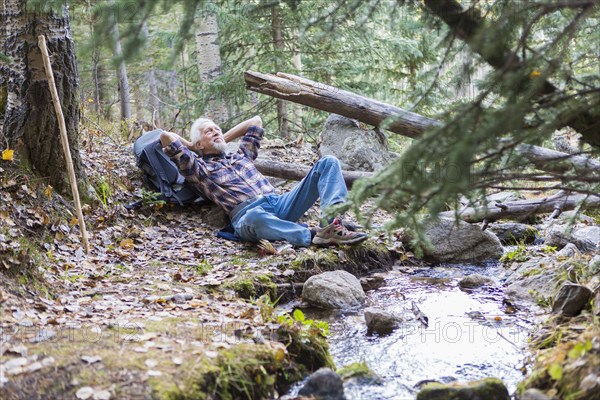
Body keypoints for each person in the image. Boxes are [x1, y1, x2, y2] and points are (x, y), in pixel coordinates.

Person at [159, 115, 367, 247]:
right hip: (248, 214)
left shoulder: (241, 155)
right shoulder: (199, 168)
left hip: (278, 202)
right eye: (209, 131)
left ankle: (330, 224)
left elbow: (255, 121)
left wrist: (220, 140)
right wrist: (195, 147)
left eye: (218, 129)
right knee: (254, 218)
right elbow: (166, 137)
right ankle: (312, 235)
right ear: (197, 143)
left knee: (328, 162)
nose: (216, 131)